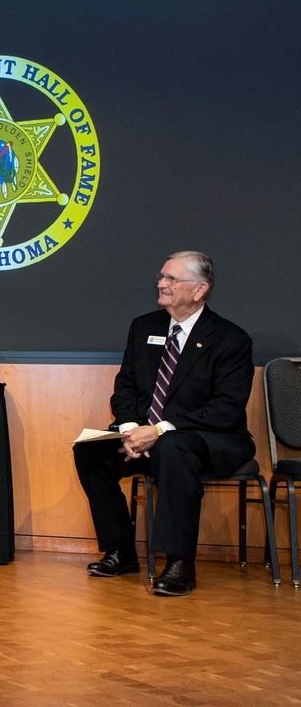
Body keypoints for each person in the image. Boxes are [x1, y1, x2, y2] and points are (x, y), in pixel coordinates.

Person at [73, 251, 254, 596]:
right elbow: (125, 385)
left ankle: (179, 563)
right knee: (90, 451)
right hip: (144, 433)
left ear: (199, 289)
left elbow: (225, 409)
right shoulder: (144, 327)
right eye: (162, 277)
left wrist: (158, 430)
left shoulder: (231, 339)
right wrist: (127, 428)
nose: (161, 284)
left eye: (172, 279)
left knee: (173, 447)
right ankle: (120, 551)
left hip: (210, 437)